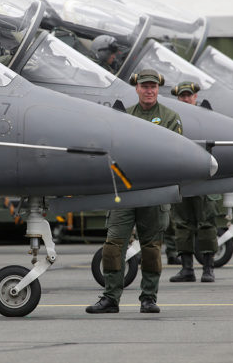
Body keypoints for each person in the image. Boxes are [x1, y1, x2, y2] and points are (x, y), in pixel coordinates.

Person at [86, 68, 182, 314]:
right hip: (126, 191)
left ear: (157, 89)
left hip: (153, 192)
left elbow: (173, 153)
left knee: (151, 248)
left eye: (152, 86)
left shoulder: (170, 117)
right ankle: (110, 298)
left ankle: (148, 298)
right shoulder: (124, 116)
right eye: (144, 86)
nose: (148, 90)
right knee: (113, 245)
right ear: (137, 88)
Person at [169, 81, 220, 283]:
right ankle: (187, 269)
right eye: (182, 96)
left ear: (195, 97)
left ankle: (208, 268)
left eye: (189, 95)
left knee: (207, 222)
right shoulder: (173, 118)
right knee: (182, 224)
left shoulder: (206, 118)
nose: (186, 99)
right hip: (183, 179)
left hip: (204, 180)